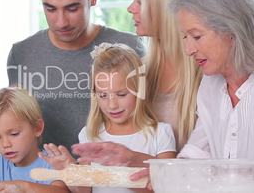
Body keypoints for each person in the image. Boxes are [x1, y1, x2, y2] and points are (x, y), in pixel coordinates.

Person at [72, 0, 201, 166]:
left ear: (163, 6)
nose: (130, 8)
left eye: (139, 0)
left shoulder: (205, 76)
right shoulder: (138, 72)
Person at [7, 0, 145, 151]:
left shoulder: (131, 47)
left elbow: (149, 118)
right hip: (46, 176)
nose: (61, 22)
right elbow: (16, 124)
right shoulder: (22, 54)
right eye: (50, 9)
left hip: (113, 173)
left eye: (72, 8)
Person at [41, 43, 176, 193]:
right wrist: (70, 172)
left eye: (121, 94)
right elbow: (86, 191)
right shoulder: (89, 134)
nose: (112, 105)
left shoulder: (160, 134)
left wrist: (124, 166)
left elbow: (168, 187)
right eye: (103, 95)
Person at [169, 0, 254, 159]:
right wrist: (160, 173)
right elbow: (197, 154)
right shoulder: (210, 85)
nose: (188, 50)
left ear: (232, 31)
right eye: (185, 37)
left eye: (197, 36)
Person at [0, 87, 69, 193]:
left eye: (14, 134)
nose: (5, 144)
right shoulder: (0, 165)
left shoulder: (51, 162)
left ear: (37, 128)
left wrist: (23, 187)